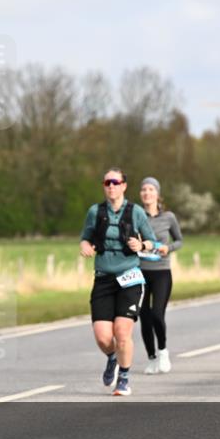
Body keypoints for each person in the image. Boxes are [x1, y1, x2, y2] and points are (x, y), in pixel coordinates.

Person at [80, 168, 158, 396]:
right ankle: (112, 357)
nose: (111, 186)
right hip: (104, 279)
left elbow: (152, 242)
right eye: (107, 182)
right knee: (104, 337)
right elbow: (86, 237)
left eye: (115, 182)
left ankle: (124, 377)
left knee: (122, 332)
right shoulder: (95, 212)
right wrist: (85, 245)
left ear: (124, 185)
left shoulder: (136, 213)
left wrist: (141, 246)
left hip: (130, 278)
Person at [137, 177, 183, 375]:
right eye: (144, 190)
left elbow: (180, 240)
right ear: (141, 194)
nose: (147, 193)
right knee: (144, 317)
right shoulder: (136, 216)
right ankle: (151, 358)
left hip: (162, 272)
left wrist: (168, 248)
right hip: (139, 272)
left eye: (151, 189)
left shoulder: (169, 217)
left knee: (157, 313)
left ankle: (163, 351)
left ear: (157, 193)